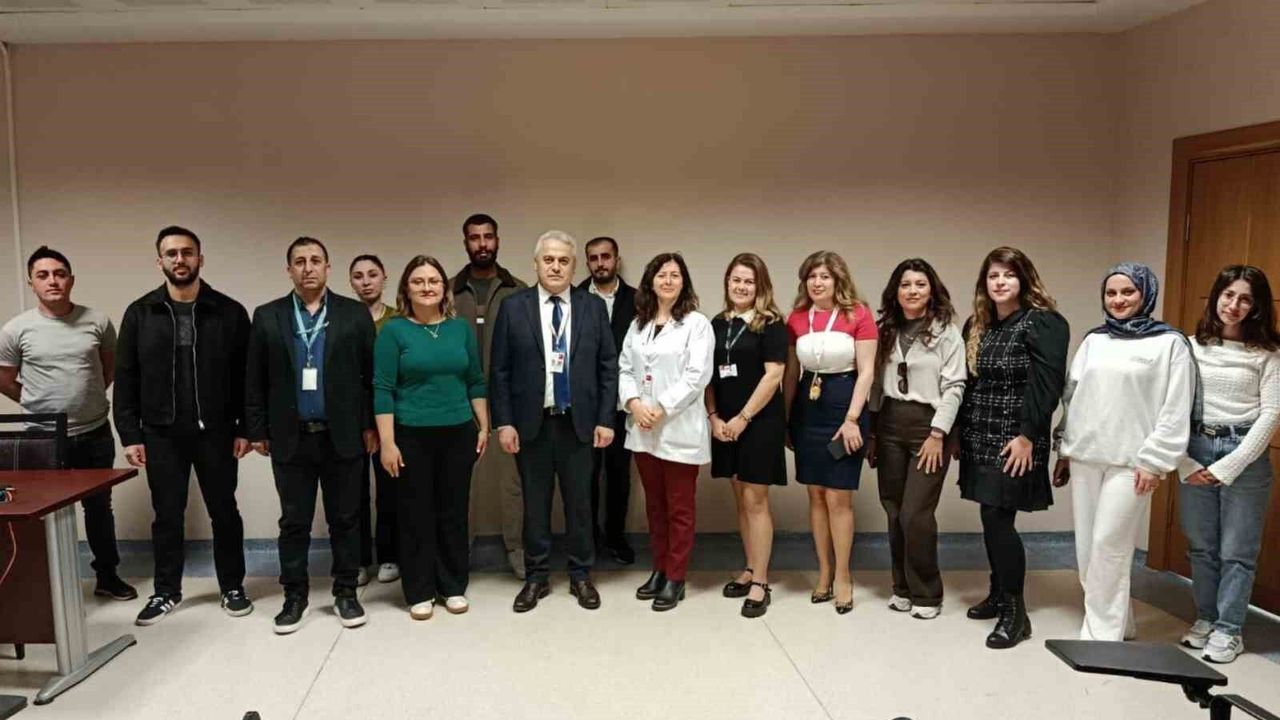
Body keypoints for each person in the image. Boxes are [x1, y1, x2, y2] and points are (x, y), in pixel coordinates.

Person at [114, 226, 253, 625]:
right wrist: (130, 434)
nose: (180, 259)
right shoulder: (140, 313)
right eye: (172, 253)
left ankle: (232, 587)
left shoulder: (229, 312)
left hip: (217, 432)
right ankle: (166, 591)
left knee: (224, 511)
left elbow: (247, 376)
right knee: (167, 515)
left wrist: (246, 427)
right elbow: (126, 377)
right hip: (161, 433)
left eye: (187, 252)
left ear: (200, 259)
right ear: (160, 261)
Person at [1052, 263, 1194, 642]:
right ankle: (1120, 622)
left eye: (1128, 292)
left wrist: (1155, 461)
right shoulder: (1094, 341)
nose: (1118, 300)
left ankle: (1101, 638)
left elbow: (1176, 408)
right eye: (1111, 293)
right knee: (1087, 549)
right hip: (1085, 455)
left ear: (1146, 294)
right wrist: (1064, 449)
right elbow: (1073, 397)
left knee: (1109, 546)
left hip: (1133, 462)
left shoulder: (1170, 344)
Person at [244, 237, 377, 634]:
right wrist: (256, 429)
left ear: (327, 267)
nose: (308, 268)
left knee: (346, 519)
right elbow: (254, 378)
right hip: (290, 437)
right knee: (294, 522)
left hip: (343, 435)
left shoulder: (353, 314)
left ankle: (346, 592)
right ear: (289, 270)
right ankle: (294, 596)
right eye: (299, 261)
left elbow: (370, 377)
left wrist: (370, 425)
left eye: (315, 260)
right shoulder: (268, 316)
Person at [491, 231, 619, 612]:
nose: (556, 267)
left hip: (580, 425)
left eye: (564, 261)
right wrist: (504, 422)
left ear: (574, 266)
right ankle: (536, 577)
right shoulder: (514, 307)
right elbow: (499, 371)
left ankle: (581, 575)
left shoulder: (592, 307)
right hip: (532, 425)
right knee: (534, 506)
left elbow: (608, 367)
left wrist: (606, 419)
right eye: (548, 259)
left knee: (581, 504)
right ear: (536, 264)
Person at [0, 246, 135, 601]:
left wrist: (84, 398)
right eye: (43, 275)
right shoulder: (16, 329)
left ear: (71, 280)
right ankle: (47, 586)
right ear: (31, 283)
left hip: (94, 432)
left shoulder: (98, 322)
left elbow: (107, 370)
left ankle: (107, 577)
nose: (52, 281)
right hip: (43, 438)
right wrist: (38, 405)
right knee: (45, 513)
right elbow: (5, 379)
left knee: (99, 508)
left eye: (59, 274)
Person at [954, 246, 1068, 649]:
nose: (1000, 282)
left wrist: (1028, 437)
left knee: (997, 517)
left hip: (1017, 437)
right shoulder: (978, 323)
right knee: (989, 517)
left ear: (1024, 279)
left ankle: (1016, 613)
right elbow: (969, 382)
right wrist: (956, 431)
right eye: (993, 276)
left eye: (1008, 274)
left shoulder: (1044, 322)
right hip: (979, 432)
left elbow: (1047, 385)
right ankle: (999, 592)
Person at [374, 256, 488, 620]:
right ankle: (420, 590)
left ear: (444, 288)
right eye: (418, 281)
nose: (427, 287)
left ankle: (452, 586)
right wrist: (388, 442)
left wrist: (483, 426)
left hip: (459, 432)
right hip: (410, 435)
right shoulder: (394, 331)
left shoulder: (459, 330)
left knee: (453, 512)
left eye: (434, 281)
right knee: (415, 514)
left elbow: (475, 380)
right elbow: (382, 388)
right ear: (406, 288)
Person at [1175, 265, 1279, 664]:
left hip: (1245, 453)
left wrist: (1228, 466)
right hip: (1195, 446)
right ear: (1216, 296)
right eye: (1228, 295)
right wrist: (1184, 462)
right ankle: (1205, 619)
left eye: (1245, 299)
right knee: (1202, 548)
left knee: (1237, 551)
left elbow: (1271, 414)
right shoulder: (1189, 347)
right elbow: (1169, 408)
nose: (1234, 305)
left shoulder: (1268, 354)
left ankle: (1229, 630)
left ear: (1257, 306)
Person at [866, 258, 965, 620]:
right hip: (890, 424)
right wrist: (872, 431)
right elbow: (875, 384)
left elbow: (955, 386)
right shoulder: (885, 331)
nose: (912, 291)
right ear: (895, 291)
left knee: (916, 514)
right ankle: (902, 588)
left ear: (932, 290)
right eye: (905, 284)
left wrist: (939, 433)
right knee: (894, 510)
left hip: (929, 427)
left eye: (920, 284)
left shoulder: (947, 333)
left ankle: (927, 593)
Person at [783, 250, 877, 615]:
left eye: (824, 276)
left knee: (839, 498)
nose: (817, 282)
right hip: (808, 409)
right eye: (812, 276)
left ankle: (843, 575)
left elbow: (867, 372)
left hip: (844, 407)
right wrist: (786, 419)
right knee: (816, 495)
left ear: (838, 279)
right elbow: (792, 374)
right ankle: (823, 571)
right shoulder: (796, 318)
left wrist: (852, 418)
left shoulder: (859, 314)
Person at [619, 252, 714, 611]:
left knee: (679, 509)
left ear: (684, 282)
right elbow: (625, 369)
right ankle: (659, 569)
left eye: (675, 275)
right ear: (651, 281)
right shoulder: (638, 324)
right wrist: (634, 404)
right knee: (655, 507)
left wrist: (660, 407)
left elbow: (697, 375)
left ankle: (676, 576)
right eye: (662, 275)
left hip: (678, 428)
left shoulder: (696, 324)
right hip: (643, 428)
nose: (668, 280)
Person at [705, 253, 787, 618]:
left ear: (760, 286)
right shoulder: (717, 323)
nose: (741, 287)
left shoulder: (771, 324)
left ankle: (761, 582)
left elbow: (773, 375)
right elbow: (708, 376)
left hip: (758, 422)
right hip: (725, 424)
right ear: (727, 282)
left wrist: (743, 417)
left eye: (749, 282)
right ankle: (751, 566)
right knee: (740, 498)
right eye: (736, 280)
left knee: (756, 501)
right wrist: (713, 417)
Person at [451, 213, 529, 579]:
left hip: (507, 400)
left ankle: (516, 547)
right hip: (459, 400)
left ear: (498, 240)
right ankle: (458, 551)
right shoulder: (448, 292)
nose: (482, 243)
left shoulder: (518, 290)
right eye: (474, 237)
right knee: (457, 482)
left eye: (488, 236)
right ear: (465, 242)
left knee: (513, 482)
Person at [578, 236, 638, 565]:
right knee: (584, 476)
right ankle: (587, 539)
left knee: (618, 476)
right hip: (585, 404)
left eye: (606, 256)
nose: (600, 263)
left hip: (623, 404)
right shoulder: (574, 297)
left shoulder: (638, 299)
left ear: (617, 259)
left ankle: (616, 537)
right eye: (594, 258)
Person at [350, 254, 400, 585]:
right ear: (351, 282)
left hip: (391, 416)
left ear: (384, 278)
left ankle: (390, 555)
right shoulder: (343, 318)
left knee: (390, 490)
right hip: (354, 417)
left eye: (372, 274)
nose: (366, 281)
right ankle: (356, 560)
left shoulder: (399, 320)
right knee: (353, 492)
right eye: (358, 276)